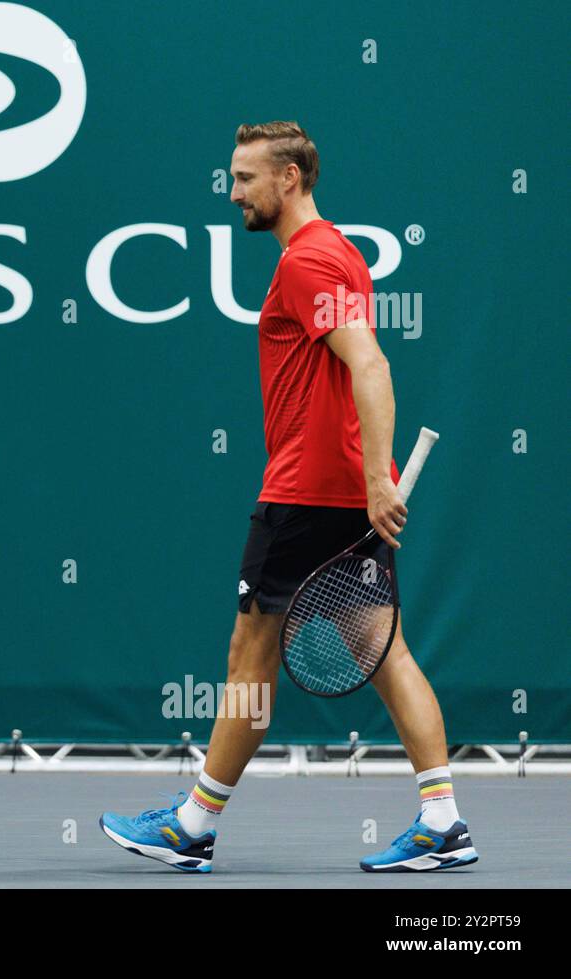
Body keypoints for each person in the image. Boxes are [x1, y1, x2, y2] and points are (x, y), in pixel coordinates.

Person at [99, 123, 476, 873]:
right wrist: (367, 478)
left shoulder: (310, 263)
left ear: (292, 178)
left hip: (307, 495)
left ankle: (193, 824)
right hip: (335, 493)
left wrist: (374, 478)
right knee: (388, 651)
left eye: (245, 178)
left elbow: (370, 362)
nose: (233, 192)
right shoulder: (335, 254)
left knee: (249, 661)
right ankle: (443, 820)